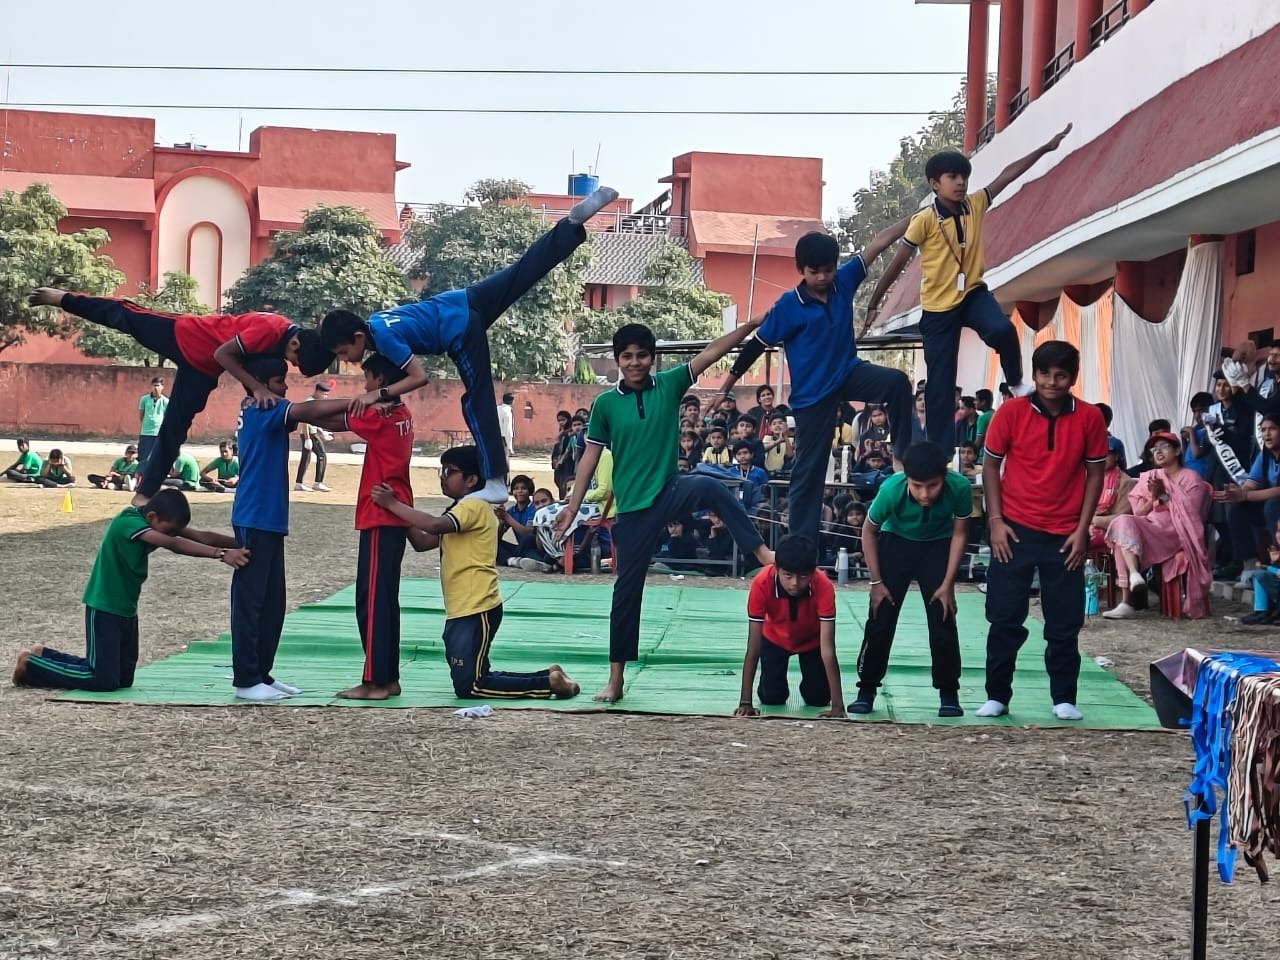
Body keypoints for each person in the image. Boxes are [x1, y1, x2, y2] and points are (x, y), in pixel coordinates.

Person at [319, 186, 618, 505]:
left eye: (342, 352)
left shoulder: (384, 340)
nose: (346, 359)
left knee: (477, 401)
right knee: (522, 272)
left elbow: (419, 378)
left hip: (458, 330)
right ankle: (570, 226)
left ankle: (494, 479)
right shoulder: (378, 319)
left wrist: (374, 394)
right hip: (463, 299)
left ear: (357, 339)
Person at [554, 321, 775, 703]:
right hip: (634, 510)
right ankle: (616, 679)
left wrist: (750, 325)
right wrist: (573, 505)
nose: (635, 362)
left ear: (652, 358)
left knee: (707, 484)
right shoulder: (606, 405)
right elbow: (590, 454)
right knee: (626, 592)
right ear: (618, 360)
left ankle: (761, 553)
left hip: (670, 489)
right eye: (627, 356)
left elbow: (712, 352)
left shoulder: (670, 384)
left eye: (642, 355)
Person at [865, 126, 1072, 445]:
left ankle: (1015, 382)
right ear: (935, 184)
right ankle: (939, 450)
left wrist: (1045, 147)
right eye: (953, 177)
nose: (961, 182)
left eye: (964, 176)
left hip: (972, 293)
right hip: (937, 309)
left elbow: (1007, 175)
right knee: (940, 383)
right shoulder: (924, 221)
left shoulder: (975, 203)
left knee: (1002, 330)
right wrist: (874, 303)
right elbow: (897, 263)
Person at [28, 287, 327, 508]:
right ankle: (61, 297)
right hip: (186, 335)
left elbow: (256, 372)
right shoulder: (270, 329)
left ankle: (144, 493)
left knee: (174, 430)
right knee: (126, 315)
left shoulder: (282, 349)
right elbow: (223, 353)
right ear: (296, 342)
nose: (291, 365)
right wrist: (258, 389)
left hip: (201, 371)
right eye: (295, 360)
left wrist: (274, 403)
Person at [721, 227, 914, 548]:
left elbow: (878, 242)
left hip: (849, 373)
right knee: (808, 474)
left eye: (828, 270)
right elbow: (755, 345)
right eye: (814, 272)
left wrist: (916, 216)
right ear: (801, 270)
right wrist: (726, 384)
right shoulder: (788, 306)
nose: (823, 277)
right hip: (812, 398)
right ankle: (800, 545)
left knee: (896, 382)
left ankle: (902, 457)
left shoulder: (844, 281)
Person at [371, 446, 580, 699]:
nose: (443, 477)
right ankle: (550, 677)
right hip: (465, 607)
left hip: (476, 606)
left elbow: (435, 526)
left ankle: (549, 684)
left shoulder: (473, 507)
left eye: (449, 472)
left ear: (471, 479)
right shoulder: (462, 508)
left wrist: (393, 504)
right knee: (477, 676)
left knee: (470, 686)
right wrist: (399, 512)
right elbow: (423, 542)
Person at [979, 340, 1106, 722]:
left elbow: (1095, 474)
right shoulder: (1011, 413)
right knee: (1003, 617)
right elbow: (990, 467)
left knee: (1064, 621)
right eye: (1045, 374)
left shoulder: (1089, 418)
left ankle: (1063, 697)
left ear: (1072, 378)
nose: (1052, 381)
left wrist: (1083, 530)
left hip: (1065, 535)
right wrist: (996, 522)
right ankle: (997, 696)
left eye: (1061, 375)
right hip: (1013, 530)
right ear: (1034, 375)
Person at [12, 489, 249, 692]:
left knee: (123, 679)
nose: (170, 533)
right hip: (104, 606)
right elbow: (174, 544)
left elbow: (200, 536)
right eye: (167, 529)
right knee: (102, 680)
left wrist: (242, 543)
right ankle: (32, 664)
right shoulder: (128, 522)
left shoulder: (154, 521)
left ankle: (45, 654)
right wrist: (222, 555)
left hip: (126, 608)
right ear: (152, 516)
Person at [228, 357, 355, 701]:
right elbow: (311, 412)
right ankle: (246, 679)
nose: (285, 387)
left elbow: (320, 416)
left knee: (272, 601)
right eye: (279, 381)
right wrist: (363, 402)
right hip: (255, 515)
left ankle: (261, 674)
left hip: (268, 518)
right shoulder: (262, 407)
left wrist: (361, 416)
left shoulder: (263, 406)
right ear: (260, 383)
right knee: (251, 601)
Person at [849, 442, 971, 717]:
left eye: (932, 486)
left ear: (945, 477)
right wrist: (876, 583)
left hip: (937, 547)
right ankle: (866, 689)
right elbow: (868, 533)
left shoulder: (960, 487)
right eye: (917, 486)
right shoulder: (891, 490)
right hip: (896, 544)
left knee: (943, 618)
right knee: (880, 619)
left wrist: (948, 584)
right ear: (906, 479)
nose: (924, 494)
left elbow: (961, 534)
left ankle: (948, 693)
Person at [334, 355, 416, 701]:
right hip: (389, 516)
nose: (364, 388)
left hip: (380, 516)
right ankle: (387, 677)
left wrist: (371, 400)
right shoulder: (402, 415)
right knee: (382, 600)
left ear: (380, 378)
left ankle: (376, 681)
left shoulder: (381, 419)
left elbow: (342, 415)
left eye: (367, 380)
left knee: (372, 603)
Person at [1102, 432, 1212, 620]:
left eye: (1164, 446)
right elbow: (1138, 513)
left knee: (1123, 534)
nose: (1158, 451)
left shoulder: (1191, 478)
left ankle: (1127, 601)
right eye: (1154, 448)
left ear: (1177, 450)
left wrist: (1163, 496)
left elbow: (1191, 518)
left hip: (1177, 533)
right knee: (1122, 522)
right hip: (1151, 527)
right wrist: (1153, 498)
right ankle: (1134, 576)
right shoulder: (1151, 476)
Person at [733, 535, 844, 718]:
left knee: (818, 698)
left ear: (813, 571)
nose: (795, 583)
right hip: (774, 638)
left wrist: (838, 706)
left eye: (803, 576)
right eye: (788, 575)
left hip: (811, 641)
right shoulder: (761, 584)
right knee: (772, 698)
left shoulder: (823, 585)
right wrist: (745, 702)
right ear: (776, 568)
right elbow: (753, 648)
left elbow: (828, 650)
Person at [1216, 409, 1280, 584]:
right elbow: (1252, 482)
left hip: (1275, 505)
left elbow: (1278, 491)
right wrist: (1237, 493)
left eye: (1272, 429)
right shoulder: (1264, 455)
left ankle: (1277, 562)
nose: (1266, 434)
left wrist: (1244, 495)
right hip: (1270, 505)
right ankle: (1249, 566)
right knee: (1236, 508)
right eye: (1263, 429)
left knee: (1272, 505)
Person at [1087, 437, 1135, 551]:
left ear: (1117, 456)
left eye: (1106, 454)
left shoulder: (1125, 482)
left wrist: (1093, 520)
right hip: (1084, 524)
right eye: (1098, 453)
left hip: (1107, 529)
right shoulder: (1086, 477)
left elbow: (1122, 517)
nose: (1101, 457)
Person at [295, 381, 333, 493]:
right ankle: (318, 482)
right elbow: (304, 421)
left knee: (306, 458)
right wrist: (307, 438)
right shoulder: (310, 402)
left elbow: (314, 421)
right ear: (317, 391)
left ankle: (299, 483)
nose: (325, 397)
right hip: (309, 433)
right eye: (324, 394)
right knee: (322, 455)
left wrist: (322, 432)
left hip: (312, 432)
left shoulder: (314, 402)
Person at [138, 376, 168, 469]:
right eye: (154, 385)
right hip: (146, 433)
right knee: (143, 457)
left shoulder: (166, 401)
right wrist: (147, 424)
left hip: (159, 434)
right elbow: (141, 415)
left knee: (157, 457)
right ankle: (139, 479)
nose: (156, 388)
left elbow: (167, 417)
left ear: (162, 387)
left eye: (158, 385)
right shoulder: (144, 399)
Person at [497, 391, 516, 459]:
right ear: (511, 401)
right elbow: (508, 430)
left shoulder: (497, 408)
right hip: (502, 438)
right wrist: (510, 447)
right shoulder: (507, 411)